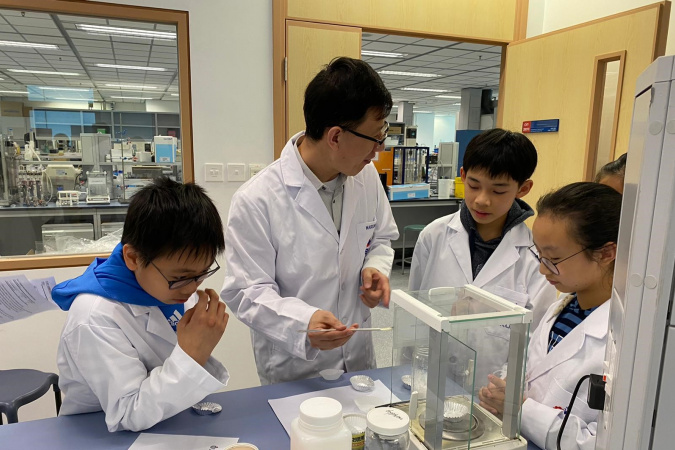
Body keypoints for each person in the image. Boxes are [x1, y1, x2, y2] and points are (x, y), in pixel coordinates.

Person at [221, 57, 399, 385]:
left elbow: (383, 238)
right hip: (296, 368)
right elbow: (247, 292)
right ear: (335, 137)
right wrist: (304, 322)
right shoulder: (257, 199)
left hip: (358, 360)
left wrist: (375, 269)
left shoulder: (367, 177)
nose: (378, 150)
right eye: (375, 138)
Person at [52, 177, 229, 432]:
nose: (192, 288)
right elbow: (127, 412)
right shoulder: (94, 316)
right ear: (133, 257)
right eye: (180, 277)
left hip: (164, 421)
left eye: (201, 274)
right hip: (98, 433)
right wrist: (193, 354)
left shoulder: (166, 286)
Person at [478, 182, 621, 450]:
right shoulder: (563, 308)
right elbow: (533, 371)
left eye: (553, 258)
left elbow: (602, 443)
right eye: (539, 255)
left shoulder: (621, 343)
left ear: (606, 253)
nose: (543, 271)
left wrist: (521, 410)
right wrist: (503, 389)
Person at [409, 128, 557, 383]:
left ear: (523, 188)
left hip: (491, 392)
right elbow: (414, 315)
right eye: (474, 185)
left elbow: (535, 341)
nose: (481, 200)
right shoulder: (434, 236)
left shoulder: (535, 257)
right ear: (463, 176)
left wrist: (508, 391)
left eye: (498, 191)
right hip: (428, 381)